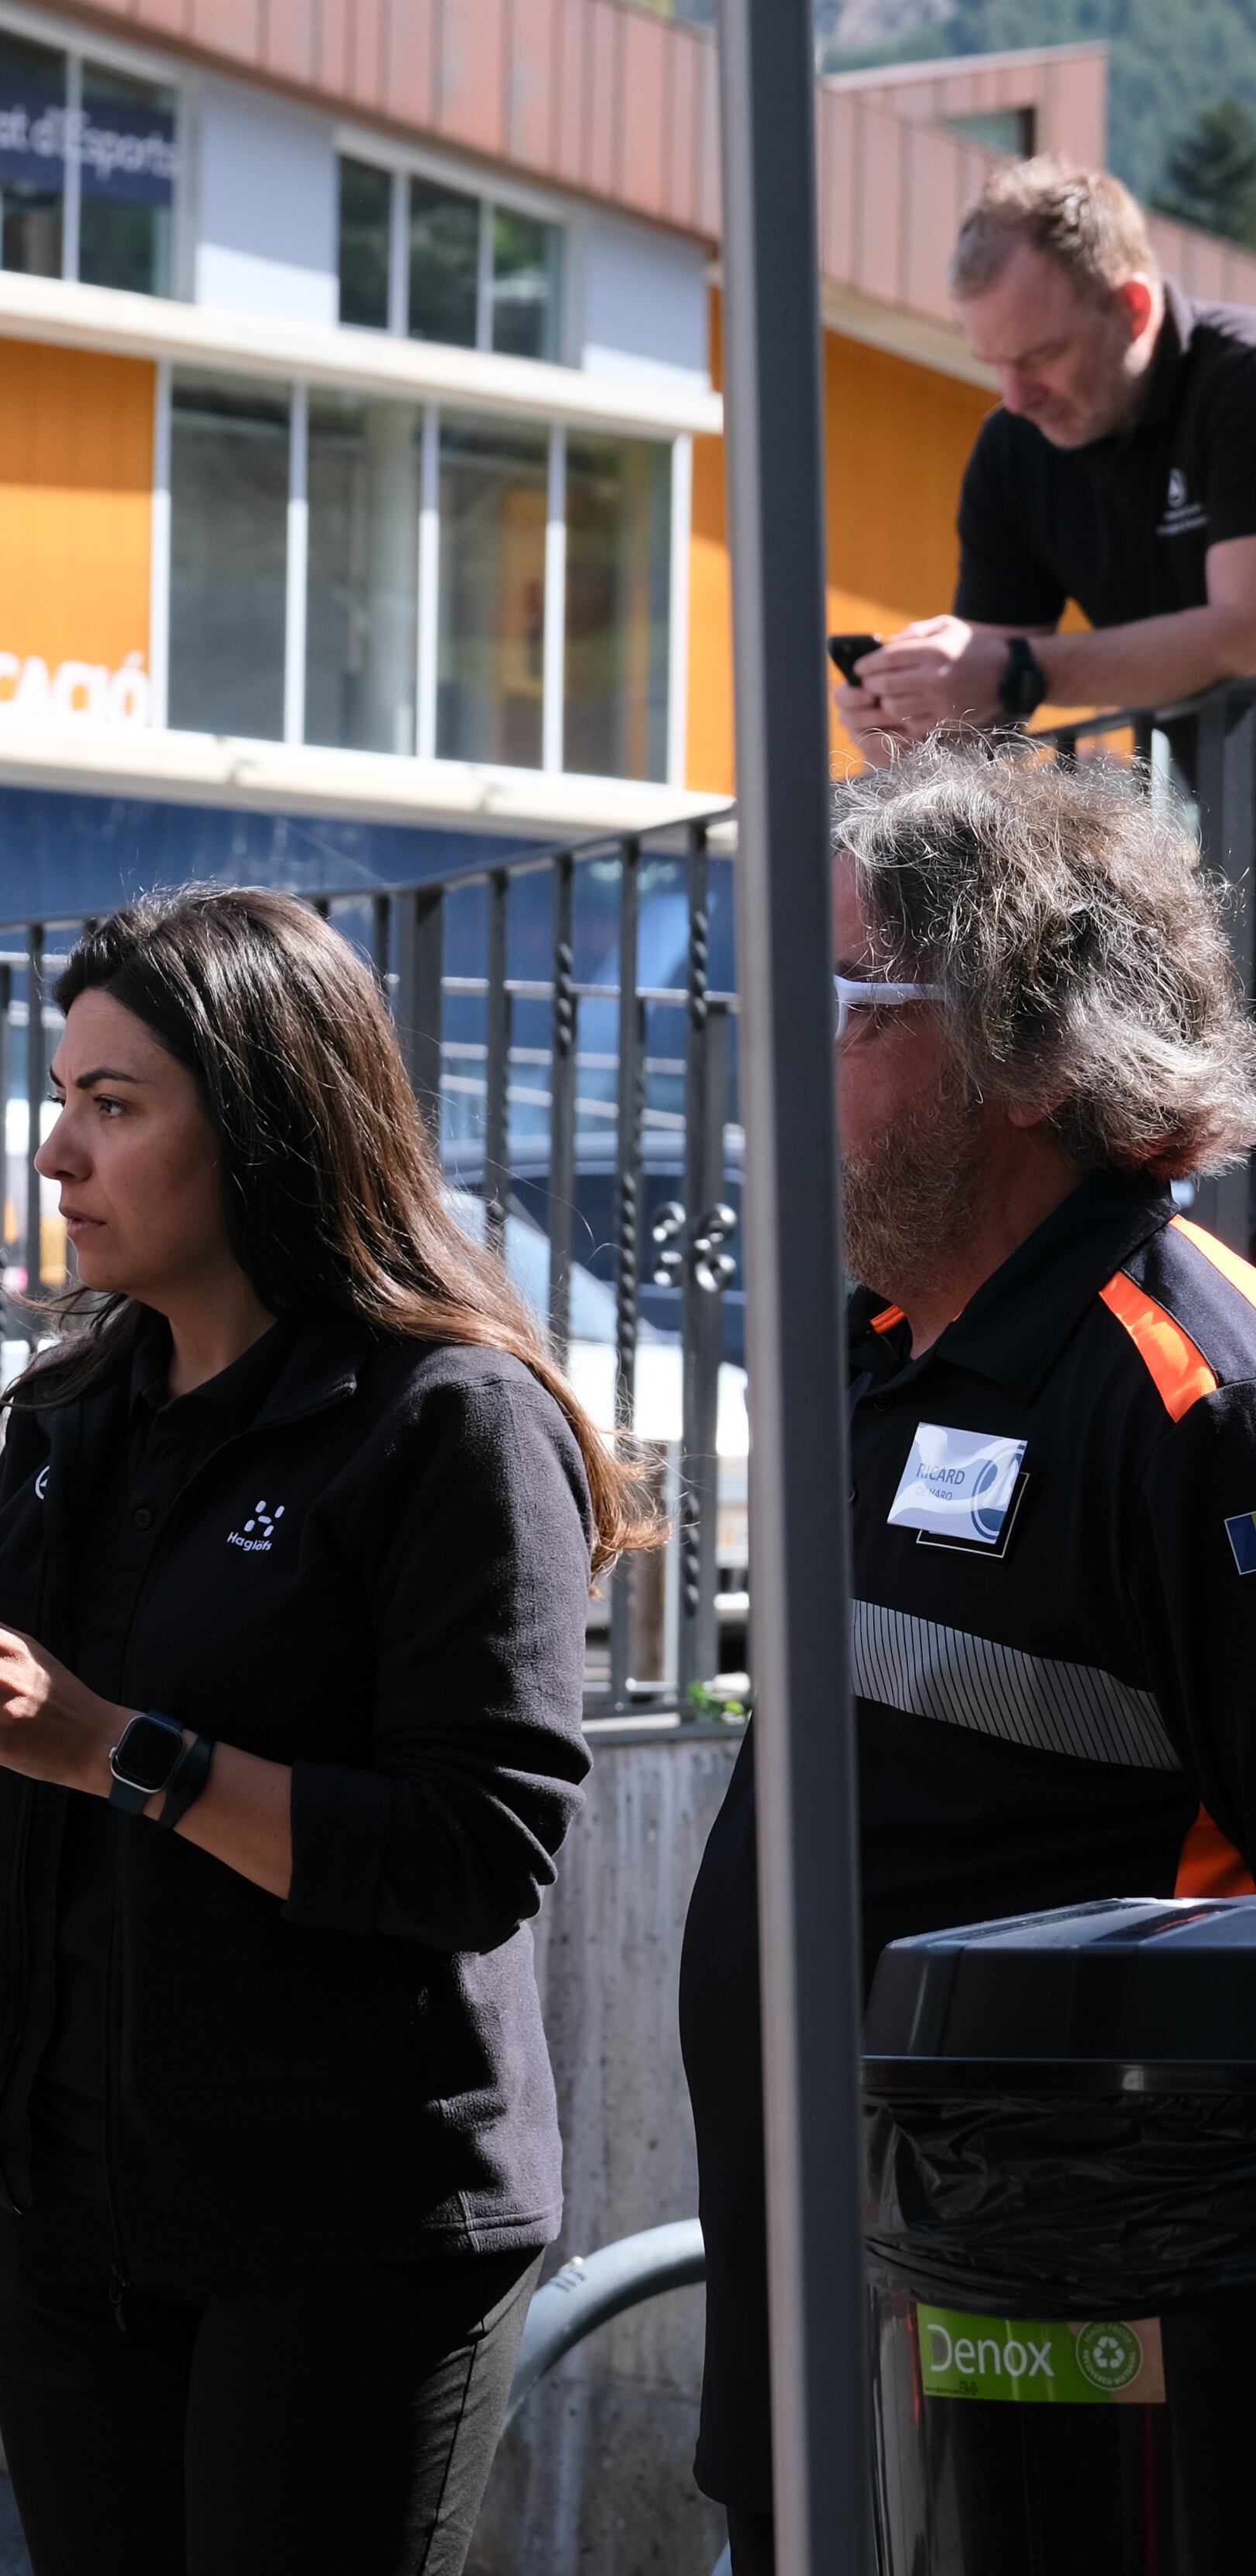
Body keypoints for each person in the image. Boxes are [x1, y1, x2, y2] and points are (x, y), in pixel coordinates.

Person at [0, 886, 648, 2576]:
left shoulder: (446, 1422)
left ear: (259, 1119)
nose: (53, 1155)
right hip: (74, 2207)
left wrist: (114, 1745)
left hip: (344, 2226)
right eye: (60, 1099)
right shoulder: (65, 1418)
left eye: (111, 1105)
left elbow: (473, 1851)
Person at [679, 744, 1256, 2568]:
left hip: (1079, 2393)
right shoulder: (872, 1346)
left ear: (1022, 1046)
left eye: (842, 1007)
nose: (774, 1059)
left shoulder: (1188, 1394)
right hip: (830, 2325)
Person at [844, 158, 1256, 757]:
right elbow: (987, 707)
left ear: (1132, 310)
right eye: (995, 363)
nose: (1016, 396)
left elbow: (1245, 631)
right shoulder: (1013, 448)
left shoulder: (1242, 380)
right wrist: (915, 728)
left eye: (1041, 356)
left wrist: (1016, 670)